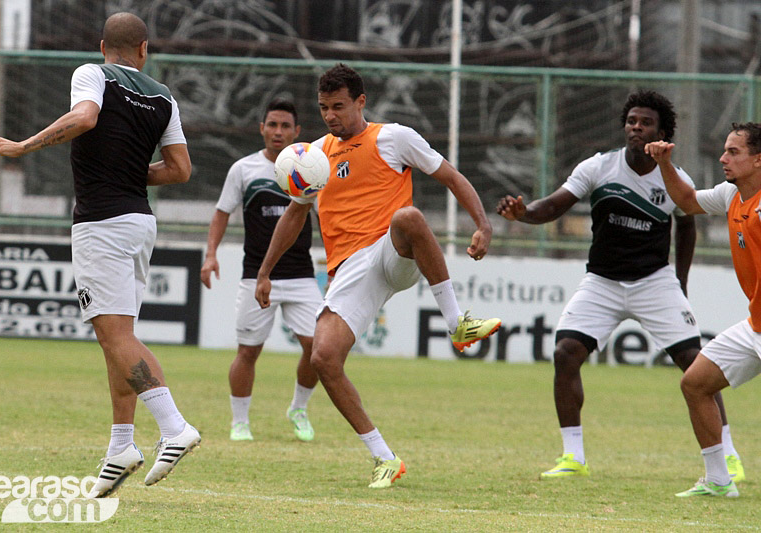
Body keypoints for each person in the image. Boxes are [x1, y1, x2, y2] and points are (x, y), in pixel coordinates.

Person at [0, 12, 200, 498]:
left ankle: (174, 426)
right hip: (140, 224)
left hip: (102, 225)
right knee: (118, 338)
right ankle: (121, 446)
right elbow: (180, 170)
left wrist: (22, 146)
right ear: (144, 49)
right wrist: (129, 171)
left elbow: (85, 117)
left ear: (103, 46)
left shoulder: (91, 73)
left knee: (115, 337)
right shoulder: (163, 96)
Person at [254, 63, 501, 488]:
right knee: (323, 358)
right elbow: (295, 215)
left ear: (360, 101)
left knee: (408, 216)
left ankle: (457, 323)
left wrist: (483, 224)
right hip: (349, 272)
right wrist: (264, 271)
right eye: (323, 107)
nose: (330, 115)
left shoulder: (394, 137)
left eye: (339, 106)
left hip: (390, 251)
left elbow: (450, 176)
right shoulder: (314, 156)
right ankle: (384, 457)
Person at [496, 90, 743, 481]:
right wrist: (524, 213)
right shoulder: (598, 167)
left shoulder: (675, 179)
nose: (636, 128)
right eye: (631, 122)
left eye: (645, 123)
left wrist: (679, 282)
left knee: (698, 367)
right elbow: (554, 205)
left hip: (654, 282)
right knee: (565, 353)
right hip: (603, 282)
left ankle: (728, 455)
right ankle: (573, 456)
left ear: (662, 132)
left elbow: (687, 227)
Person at [645, 122, 761, 498]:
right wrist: (666, 164)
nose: (724, 158)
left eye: (734, 152)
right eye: (725, 150)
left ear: (758, 160)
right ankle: (718, 479)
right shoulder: (731, 194)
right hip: (755, 326)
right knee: (695, 383)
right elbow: (688, 201)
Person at [200, 98, 321, 442]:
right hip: (256, 275)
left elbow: (325, 214)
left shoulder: (310, 167)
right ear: (262, 129)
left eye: (285, 126)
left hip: (300, 274)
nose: (278, 132)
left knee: (319, 349)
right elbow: (222, 212)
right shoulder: (243, 169)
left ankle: (298, 408)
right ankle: (240, 421)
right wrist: (211, 255)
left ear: (297, 132)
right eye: (272, 125)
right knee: (248, 351)